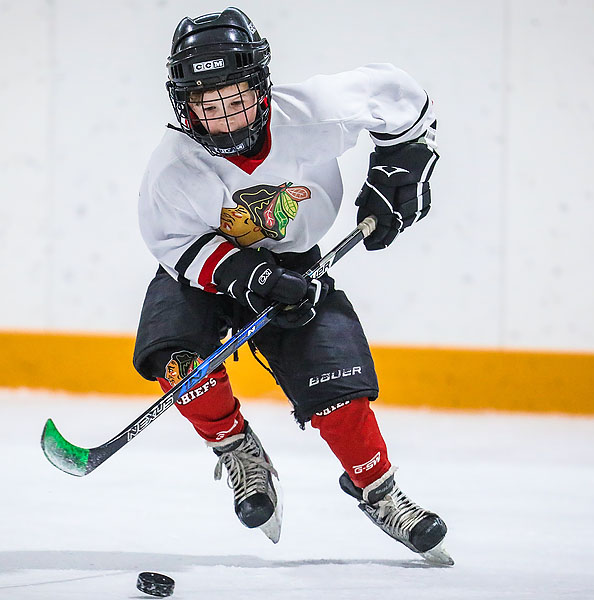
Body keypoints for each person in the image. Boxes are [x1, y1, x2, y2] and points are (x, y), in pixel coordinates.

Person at [133, 7, 451, 565]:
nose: (227, 120)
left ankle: (377, 490)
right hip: (208, 271)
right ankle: (235, 446)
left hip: (300, 266)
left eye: (235, 98)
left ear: (260, 88)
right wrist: (250, 276)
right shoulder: (174, 169)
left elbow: (399, 96)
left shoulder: (313, 114)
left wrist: (402, 161)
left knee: (339, 385)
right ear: (186, 106)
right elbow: (175, 244)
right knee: (177, 360)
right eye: (209, 106)